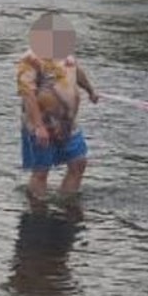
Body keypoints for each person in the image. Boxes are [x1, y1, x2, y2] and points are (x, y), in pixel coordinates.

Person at [16, 11, 98, 200]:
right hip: (42, 124)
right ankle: (37, 211)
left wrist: (90, 90)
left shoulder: (65, 54)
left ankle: (66, 203)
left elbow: (76, 72)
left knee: (79, 163)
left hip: (68, 123)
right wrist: (38, 127)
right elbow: (27, 94)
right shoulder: (30, 59)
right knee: (41, 171)